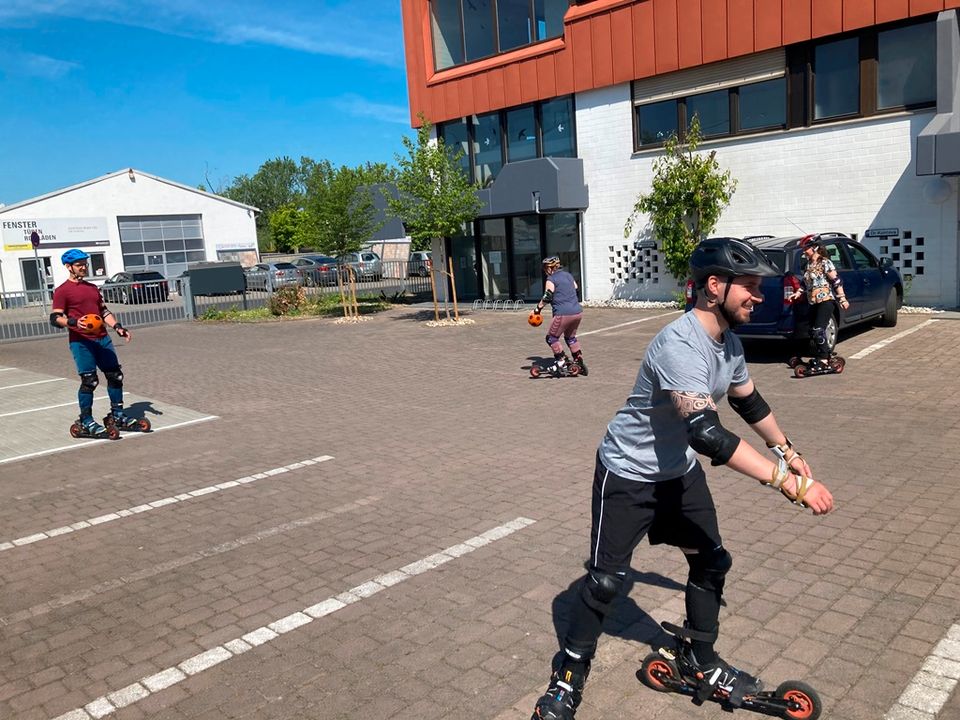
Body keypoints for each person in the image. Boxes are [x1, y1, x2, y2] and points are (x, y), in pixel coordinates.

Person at [531, 237, 835, 720]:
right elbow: (708, 435)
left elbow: (747, 402)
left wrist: (787, 450)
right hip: (628, 473)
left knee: (712, 561)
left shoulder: (728, 341)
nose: (759, 297)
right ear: (715, 287)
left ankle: (700, 659)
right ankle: (569, 672)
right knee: (608, 582)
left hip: (678, 475)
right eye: (750, 288)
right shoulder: (679, 344)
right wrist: (790, 484)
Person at [51, 249, 136, 437]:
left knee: (115, 376)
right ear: (68, 267)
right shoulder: (62, 291)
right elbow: (55, 317)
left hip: (102, 339)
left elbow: (104, 312)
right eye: (79, 264)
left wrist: (118, 327)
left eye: (85, 263)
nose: (84, 267)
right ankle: (86, 420)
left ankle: (117, 415)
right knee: (90, 381)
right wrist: (73, 322)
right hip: (81, 341)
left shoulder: (92, 288)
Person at [789, 236, 850, 367]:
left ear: (815, 247)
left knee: (818, 330)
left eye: (806, 248)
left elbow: (836, 281)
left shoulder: (825, 263)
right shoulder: (808, 265)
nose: (804, 251)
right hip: (813, 302)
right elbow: (805, 283)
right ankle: (825, 354)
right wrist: (798, 293)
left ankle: (824, 359)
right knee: (811, 331)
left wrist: (842, 298)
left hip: (826, 301)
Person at [532, 256, 587, 376]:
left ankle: (561, 360)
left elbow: (548, 296)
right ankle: (579, 361)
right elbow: (575, 287)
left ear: (550, 268)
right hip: (577, 312)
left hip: (563, 313)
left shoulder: (551, 279)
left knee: (551, 338)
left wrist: (537, 309)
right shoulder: (568, 275)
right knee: (570, 338)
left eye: (546, 268)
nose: (545, 271)